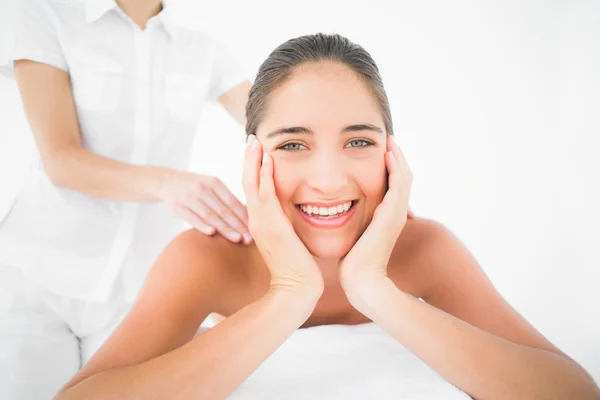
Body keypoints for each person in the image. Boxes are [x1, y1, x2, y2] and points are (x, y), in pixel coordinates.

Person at [55, 33, 600, 399]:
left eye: (358, 141)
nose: (330, 179)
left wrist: (374, 288)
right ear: (254, 157)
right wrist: (290, 293)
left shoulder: (425, 250)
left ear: (392, 154)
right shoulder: (206, 258)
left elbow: (574, 392)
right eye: (293, 145)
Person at [0, 0, 254, 398]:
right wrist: (168, 184)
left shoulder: (204, 50)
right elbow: (62, 161)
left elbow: (275, 127)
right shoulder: (45, 16)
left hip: (136, 296)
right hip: (39, 277)